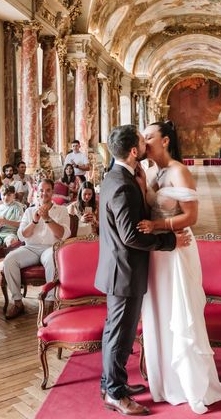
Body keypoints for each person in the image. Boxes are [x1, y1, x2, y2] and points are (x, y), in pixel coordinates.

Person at [136, 121, 221, 414]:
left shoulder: (179, 171)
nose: (144, 142)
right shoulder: (149, 171)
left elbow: (190, 216)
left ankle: (190, 385)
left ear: (165, 141)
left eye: (149, 137)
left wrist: (158, 225)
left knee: (180, 313)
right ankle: (165, 382)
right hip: (157, 252)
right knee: (159, 313)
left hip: (177, 248)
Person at [95, 124, 191, 416]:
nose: (146, 146)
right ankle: (115, 393)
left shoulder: (116, 176)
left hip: (119, 268)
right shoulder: (122, 184)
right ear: (134, 151)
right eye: (142, 142)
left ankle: (110, 383)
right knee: (120, 334)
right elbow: (130, 236)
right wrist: (169, 241)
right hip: (124, 271)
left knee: (117, 331)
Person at [2, 178, 71, 319]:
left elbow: (63, 235)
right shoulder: (29, 211)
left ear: (53, 192)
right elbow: (22, 236)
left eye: (48, 190)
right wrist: (34, 220)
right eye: (41, 190)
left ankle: (50, 304)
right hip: (31, 248)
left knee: (52, 260)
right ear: (37, 192)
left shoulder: (62, 210)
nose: (44, 193)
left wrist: (47, 218)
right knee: (9, 260)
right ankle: (17, 302)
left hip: (51, 247)